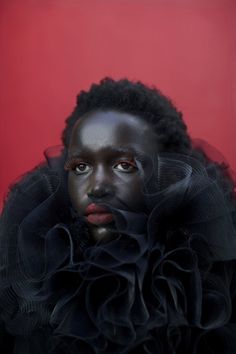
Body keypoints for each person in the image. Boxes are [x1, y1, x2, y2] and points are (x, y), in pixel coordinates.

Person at [0, 78, 236, 354]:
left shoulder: (210, 282)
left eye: (124, 165)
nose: (97, 187)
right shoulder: (30, 282)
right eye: (80, 166)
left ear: (168, 175)